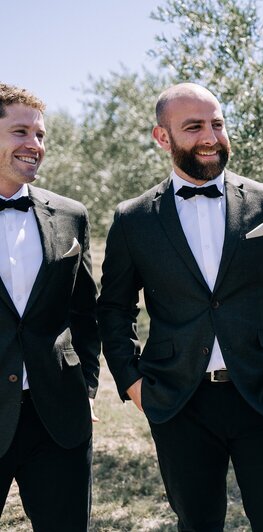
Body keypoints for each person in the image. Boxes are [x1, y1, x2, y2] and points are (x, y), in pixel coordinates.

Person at [97, 83, 263, 531]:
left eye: (217, 124)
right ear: (162, 137)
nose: (210, 136)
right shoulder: (133, 219)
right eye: (194, 127)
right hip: (178, 402)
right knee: (197, 523)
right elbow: (113, 308)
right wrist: (132, 382)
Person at [0, 83, 100, 531]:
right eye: (21, 132)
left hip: (58, 415)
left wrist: (87, 388)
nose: (34, 145)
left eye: (40, 135)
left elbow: (85, 312)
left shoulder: (70, 215)